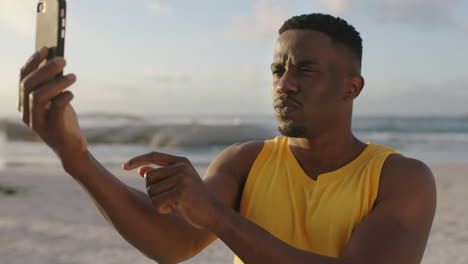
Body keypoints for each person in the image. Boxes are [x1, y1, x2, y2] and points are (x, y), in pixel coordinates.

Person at [18, 13, 436, 264]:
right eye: (278, 70)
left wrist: (217, 216)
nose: (284, 85)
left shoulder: (400, 178)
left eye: (305, 70)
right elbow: (171, 244)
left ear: (352, 87)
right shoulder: (245, 161)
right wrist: (76, 159)